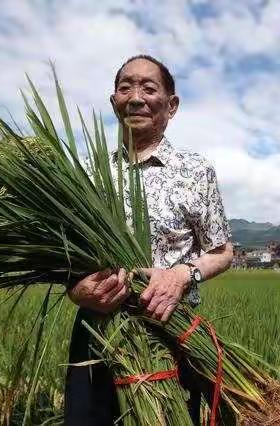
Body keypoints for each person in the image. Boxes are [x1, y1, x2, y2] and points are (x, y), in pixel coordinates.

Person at [65, 54, 234, 426]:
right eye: (125, 87)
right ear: (114, 102)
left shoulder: (195, 171)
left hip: (170, 333)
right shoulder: (88, 174)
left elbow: (221, 252)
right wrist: (77, 290)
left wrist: (180, 276)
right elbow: (66, 258)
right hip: (97, 333)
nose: (136, 97)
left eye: (149, 87)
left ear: (171, 106)